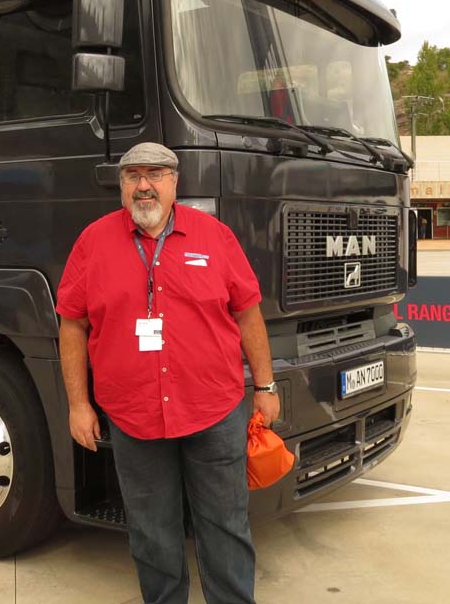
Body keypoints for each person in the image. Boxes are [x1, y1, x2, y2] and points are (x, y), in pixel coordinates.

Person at [57, 142, 280, 604]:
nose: (144, 185)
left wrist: (266, 386)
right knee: (151, 532)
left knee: (226, 527)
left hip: (214, 411)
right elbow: (72, 324)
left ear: (175, 182)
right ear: (121, 186)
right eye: (132, 175)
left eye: (156, 174)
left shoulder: (214, 236)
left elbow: (248, 314)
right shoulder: (92, 242)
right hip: (133, 415)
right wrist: (79, 405)